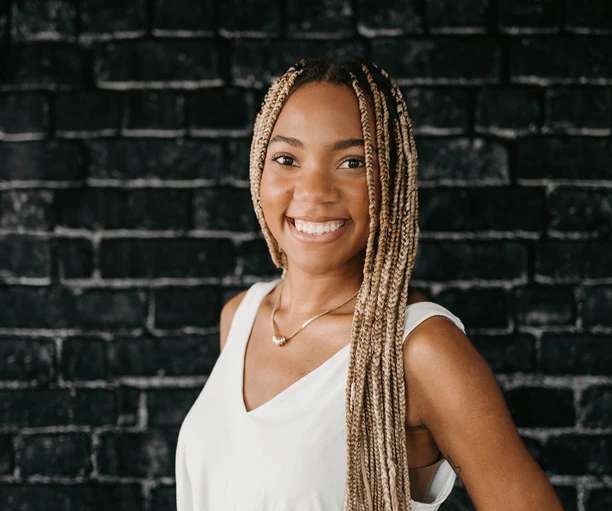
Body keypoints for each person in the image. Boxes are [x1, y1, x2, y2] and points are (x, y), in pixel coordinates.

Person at [174, 55, 563, 511]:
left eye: (353, 162)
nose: (314, 190)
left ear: (392, 180)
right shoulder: (241, 316)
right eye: (287, 158)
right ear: (259, 169)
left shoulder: (419, 347)